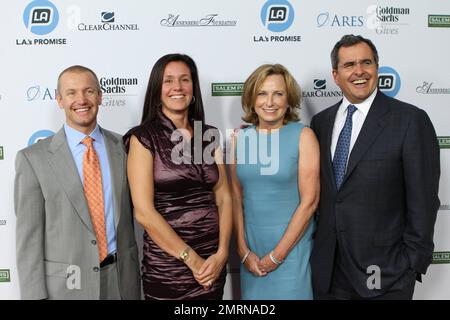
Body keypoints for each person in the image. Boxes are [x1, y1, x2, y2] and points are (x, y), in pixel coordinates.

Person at [310, 34, 440, 300]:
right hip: (330, 273)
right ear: (335, 75)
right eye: (349, 65)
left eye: (366, 62)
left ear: (377, 68)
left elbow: (424, 200)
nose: (359, 71)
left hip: (386, 274)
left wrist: (411, 262)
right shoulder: (320, 123)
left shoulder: (410, 120)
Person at [14, 65, 141, 299]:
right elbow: (29, 239)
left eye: (89, 91)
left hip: (121, 282)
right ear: (60, 100)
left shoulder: (125, 148)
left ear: (100, 96)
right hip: (65, 288)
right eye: (71, 93)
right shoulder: (33, 159)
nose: (81, 99)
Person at [124, 53, 232, 300]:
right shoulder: (143, 137)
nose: (177, 87)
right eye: (168, 81)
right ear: (157, 89)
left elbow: (224, 197)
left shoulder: (208, 134)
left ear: (193, 87)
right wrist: (192, 261)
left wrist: (223, 253)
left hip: (212, 263)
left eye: (184, 79)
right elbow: (143, 212)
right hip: (169, 268)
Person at [229, 64, 320, 299]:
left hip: (291, 255)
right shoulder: (241, 138)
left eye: (278, 94)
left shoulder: (304, 136)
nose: (270, 102)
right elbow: (235, 197)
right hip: (251, 257)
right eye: (262, 93)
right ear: (251, 98)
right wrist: (242, 250)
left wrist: (277, 256)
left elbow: (309, 202)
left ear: (288, 99)